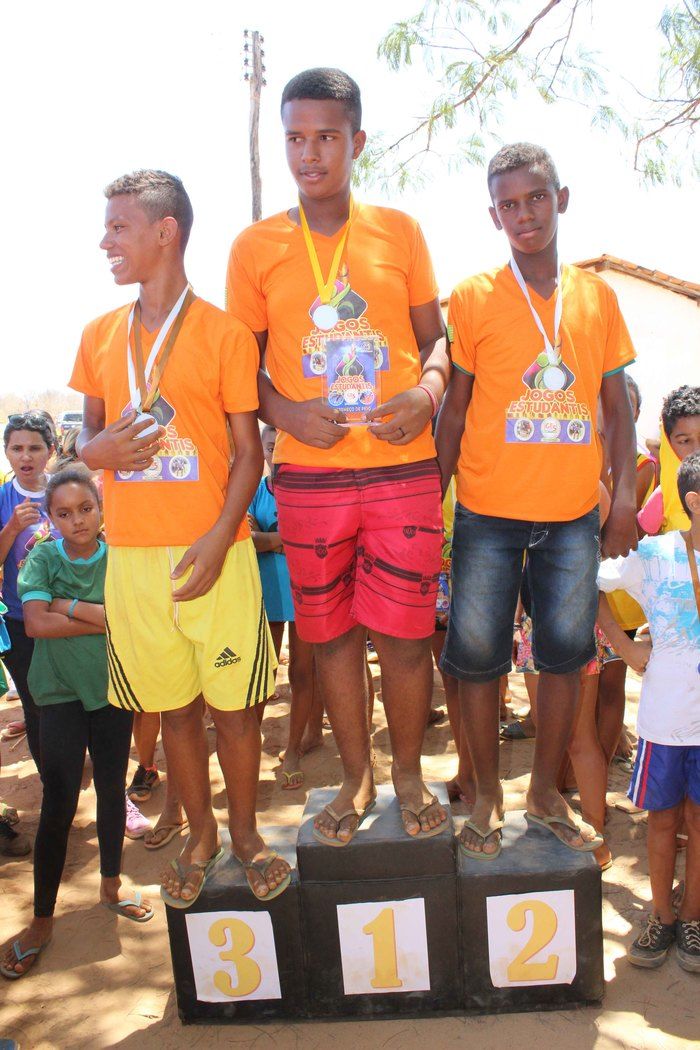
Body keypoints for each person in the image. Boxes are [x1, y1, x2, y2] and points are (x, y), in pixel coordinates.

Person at [227, 68, 450, 844]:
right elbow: (240, 366)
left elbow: (436, 341)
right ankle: (355, 778)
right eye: (295, 137)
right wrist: (284, 411)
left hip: (402, 466)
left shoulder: (401, 231)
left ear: (357, 142)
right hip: (310, 473)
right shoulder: (255, 247)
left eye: (326, 137)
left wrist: (425, 394)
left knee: (407, 634)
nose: (309, 153)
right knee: (328, 636)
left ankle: (410, 773)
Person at [70, 169, 287, 904]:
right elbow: (89, 437)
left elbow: (249, 451)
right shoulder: (100, 335)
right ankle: (202, 832)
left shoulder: (224, 332)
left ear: (166, 231)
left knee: (234, 706)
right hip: (132, 558)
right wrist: (90, 455)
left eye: (119, 227)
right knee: (178, 708)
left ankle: (249, 832)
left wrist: (224, 533)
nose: (106, 241)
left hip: (214, 551)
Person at [436, 142, 638, 859]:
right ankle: (487, 793)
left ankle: (545, 793)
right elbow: (453, 412)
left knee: (564, 657)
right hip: (486, 511)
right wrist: (435, 502)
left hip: (573, 516)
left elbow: (618, 409)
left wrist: (622, 502)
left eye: (536, 199)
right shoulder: (472, 297)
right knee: (477, 659)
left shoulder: (598, 298)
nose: (525, 215)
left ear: (562, 199)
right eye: (510, 204)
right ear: (494, 215)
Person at [1, 468, 152, 981]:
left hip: (111, 689)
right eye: (63, 513)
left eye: (85, 509)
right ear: (51, 516)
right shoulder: (42, 555)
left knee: (111, 788)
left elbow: (124, 618)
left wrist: (64, 604)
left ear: (100, 508)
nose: (76, 520)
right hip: (59, 692)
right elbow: (36, 623)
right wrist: (89, 611)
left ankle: (111, 884)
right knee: (60, 798)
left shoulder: (120, 557)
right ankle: (42, 920)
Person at [597, 450, 700, 972]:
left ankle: (693, 918)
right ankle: (661, 916)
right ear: (694, 501)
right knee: (662, 822)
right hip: (664, 722)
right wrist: (623, 644)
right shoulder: (657, 555)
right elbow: (588, 579)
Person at [249, 425, 323, 790]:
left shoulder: (310, 487)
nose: (274, 453)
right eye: (268, 446)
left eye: (280, 445)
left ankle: (294, 748)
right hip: (268, 594)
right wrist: (285, 539)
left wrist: (269, 540)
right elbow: (246, 539)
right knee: (263, 674)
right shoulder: (254, 491)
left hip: (306, 590)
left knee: (302, 673)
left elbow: (316, 536)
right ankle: (248, 748)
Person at [0, 411, 57, 770]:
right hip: (20, 621)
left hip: (69, 616)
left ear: (49, 451)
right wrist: (11, 528)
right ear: (6, 452)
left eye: (34, 448)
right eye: (16, 448)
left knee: (81, 701)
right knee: (36, 707)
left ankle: (107, 790)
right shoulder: (4, 498)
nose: (25, 456)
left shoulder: (65, 490)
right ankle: (53, 781)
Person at [638, 385, 700, 537]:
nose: (696, 449)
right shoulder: (664, 494)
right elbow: (641, 538)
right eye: (685, 441)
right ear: (668, 444)